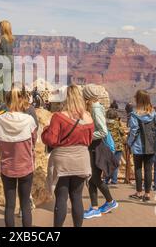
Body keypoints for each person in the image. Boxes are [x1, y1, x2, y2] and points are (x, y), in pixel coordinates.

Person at [42, 85, 94, 227]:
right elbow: (89, 140)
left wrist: (46, 130)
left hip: (62, 160)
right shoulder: (88, 117)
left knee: (61, 198)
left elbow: (51, 140)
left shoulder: (58, 117)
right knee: (77, 197)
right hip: (81, 159)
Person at [0, 86, 38, 227]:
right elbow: (33, 141)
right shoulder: (29, 120)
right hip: (26, 167)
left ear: (7, 100)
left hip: (7, 168)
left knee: (9, 206)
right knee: (25, 205)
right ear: (22, 99)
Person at [82, 84, 119, 219]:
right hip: (94, 147)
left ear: (87, 97)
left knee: (95, 178)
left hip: (96, 148)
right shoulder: (96, 107)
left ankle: (110, 201)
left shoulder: (96, 109)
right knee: (92, 179)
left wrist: (87, 136)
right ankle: (95, 208)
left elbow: (102, 131)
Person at [127, 90, 156, 202]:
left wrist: (129, 142)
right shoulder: (153, 113)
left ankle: (139, 192)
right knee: (149, 169)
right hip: (151, 145)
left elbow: (134, 131)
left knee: (138, 168)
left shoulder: (134, 115)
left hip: (138, 146)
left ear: (138, 100)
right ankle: (148, 194)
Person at [0, 20, 15, 112]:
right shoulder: (12, 38)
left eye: (0, 27)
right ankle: (8, 105)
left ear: (3, 28)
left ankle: (1, 105)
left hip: (0, 62)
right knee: (7, 84)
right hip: (10, 62)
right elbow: (3, 44)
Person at [104, 108, 126, 185]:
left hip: (108, 146)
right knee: (116, 164)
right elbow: (122, 132)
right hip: (118, 146)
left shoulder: (104, 123)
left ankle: (106, 180)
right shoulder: (117, 123)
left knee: (108, 164)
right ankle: (114, 180)